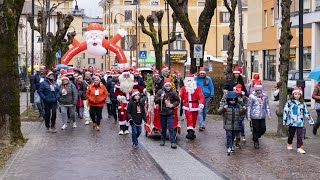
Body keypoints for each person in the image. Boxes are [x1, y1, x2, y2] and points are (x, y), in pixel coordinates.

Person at [283, 87, 314, 154]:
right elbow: (286, 111)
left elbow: (306, 112)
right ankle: (289, 143)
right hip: (292, 122)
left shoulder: (302, 103)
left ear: (300, 95)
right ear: (293, 94)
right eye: (295, 94)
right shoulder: (289, 102)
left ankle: (299, 147)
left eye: (298, 94)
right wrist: (285, 121)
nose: (297, 95)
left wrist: (310, 120)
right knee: (291, 134)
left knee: (300, 135)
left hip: (300, 122)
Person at [115, 69, 145, 135]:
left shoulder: (133, 82)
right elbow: (116, 92)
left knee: (129, 115)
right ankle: (121, 129)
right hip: (122, 101)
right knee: (122, 114)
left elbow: (139, 87)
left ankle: (126, 128)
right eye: (125, 75)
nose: (126, 76)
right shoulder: (119, 83)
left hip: (131, 101)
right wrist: (119, 97)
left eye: (127, 75)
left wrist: (144, 90)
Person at [218, 91, 246, 155]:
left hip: (235, 124)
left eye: (234, 100)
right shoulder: (225, 105)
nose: (232, 101)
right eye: (231, 100)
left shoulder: (238, 106)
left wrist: (244, 109)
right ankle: (229, 147)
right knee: (229, 136)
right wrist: (223, 109)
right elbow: (219, 112)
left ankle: (231, 145)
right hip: (228, 124)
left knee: (233, 136)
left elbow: (241, 113)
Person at [155, 78, 180, 149]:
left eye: (169, 86)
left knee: (171, 127)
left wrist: (173, 105)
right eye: (167, 86)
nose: (168, 87)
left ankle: (173, 142)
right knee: (163, 127)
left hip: (170, 113)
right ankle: (163, 140)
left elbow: (178, 101)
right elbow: (155, 100)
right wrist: (160, 98)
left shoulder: (173, 92)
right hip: (162, 112)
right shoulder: (160, 92)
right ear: (164, 86)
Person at [180, 74, 205, 140]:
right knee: (189, 118)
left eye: (190, 81)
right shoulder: (183, 88)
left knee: (194, 119)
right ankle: (190, 132)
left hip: (195, 106)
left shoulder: (197, 88)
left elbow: (201, 96)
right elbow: (180, 96)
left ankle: (192, 131)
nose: (189, 82)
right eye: (188, 81)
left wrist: (201, 103)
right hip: (187, 106)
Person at [247, 82, 271, 149]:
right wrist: (248, 116)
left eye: (260, 90)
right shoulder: (252, 97)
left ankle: (256, 136)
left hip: (262, 115)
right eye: (257, 90)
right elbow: (249, 106)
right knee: (255, 129)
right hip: (254, 115)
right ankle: (256, 141)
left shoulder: (265, 96)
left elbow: (267, 105)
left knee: (263, 128)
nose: (259, 91)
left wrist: (268, 114)